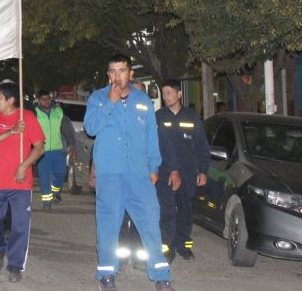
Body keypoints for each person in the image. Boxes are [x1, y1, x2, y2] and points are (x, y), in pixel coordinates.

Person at [84, 54, 175, 291]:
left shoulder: (143, 101)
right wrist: (110, 102)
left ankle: (161, 276)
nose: (117, 76)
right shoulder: (97, 98)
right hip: (110, 175)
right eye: (112, 71)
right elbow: (91, 128)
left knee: (150, 225)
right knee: (108, 226)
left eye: (122, 70)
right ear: (108, 74)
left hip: (139, 174)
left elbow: (151, 138)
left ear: (130, 73)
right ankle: (106, 275)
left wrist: (154, 168)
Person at [0, 81, 45, 282]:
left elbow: (39, 147)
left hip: (20, 183)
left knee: (20, 225)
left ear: (11, 100)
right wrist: (12, 131)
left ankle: (15, 265)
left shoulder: (28, 117)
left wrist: (23, 166)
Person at [156, 79, 210, 262]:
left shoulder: (192, 117)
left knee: (185, 209)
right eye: (163, 94)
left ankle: (184, 246)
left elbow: (202, 146)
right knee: (167, 210)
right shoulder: (159, 116)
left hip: (188, 171)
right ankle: (167, 247)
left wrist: (203, 170)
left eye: (169, 93)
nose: (166, 97)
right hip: (165, 172)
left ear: (179, 94)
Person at [32, 90, 77, 211]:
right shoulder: (34, 113)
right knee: (44, 177)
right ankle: (47, 202)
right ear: (38, 100)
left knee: (61, 173)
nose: (47, 101)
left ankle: (55, 191)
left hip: (58, 150)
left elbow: (66, 129)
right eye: (43, 99)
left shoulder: (58, 111)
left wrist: (72, 144)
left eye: (48, 98)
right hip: (42, 151)